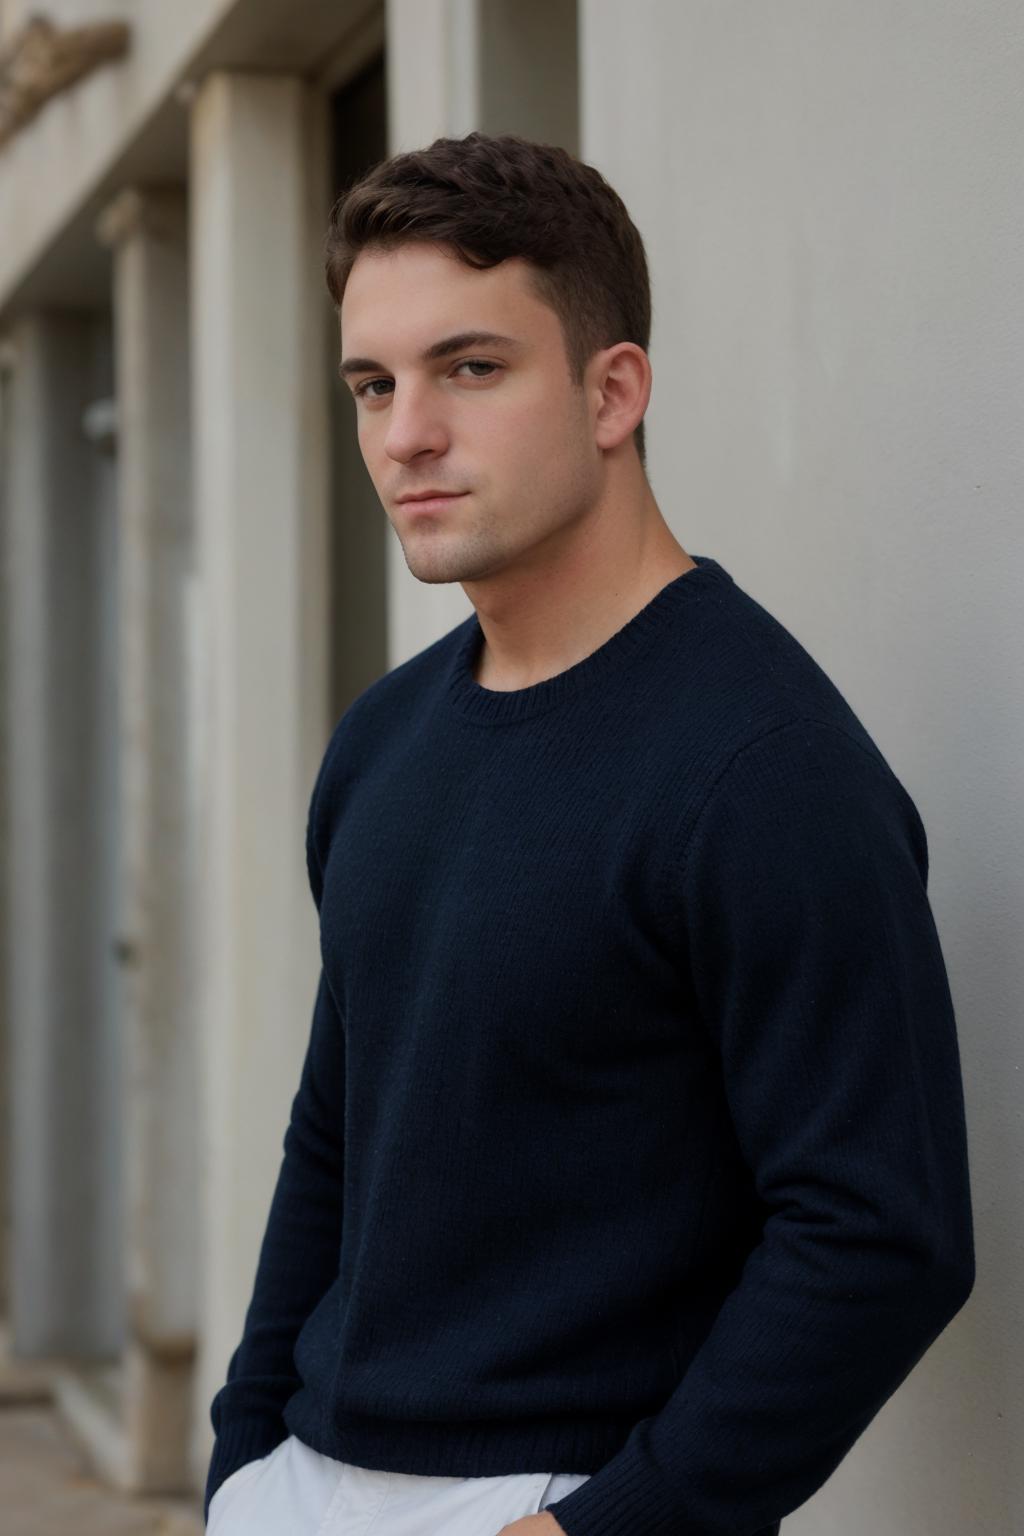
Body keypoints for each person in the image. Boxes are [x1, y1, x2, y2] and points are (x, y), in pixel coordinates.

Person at [203, 131, 975, 1536]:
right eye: (373, 383)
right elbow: (340, 1133)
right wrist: (246, 1454)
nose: (404, 433)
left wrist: (610, 1524)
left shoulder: (765, 768)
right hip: (303, 1483)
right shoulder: (383, 740)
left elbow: (882, 1233)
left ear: (613, 391)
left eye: (469, 368)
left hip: (549, 1496)